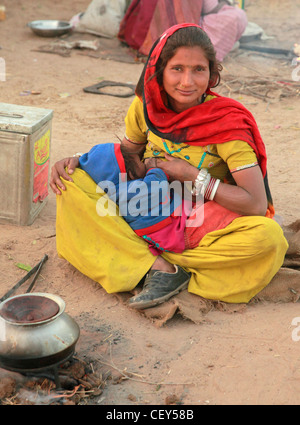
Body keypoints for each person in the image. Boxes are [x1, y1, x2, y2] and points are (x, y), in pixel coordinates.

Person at [51, 23, 288, 311]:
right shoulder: (145, 107)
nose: (187, 81)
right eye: (177, 68)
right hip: (146, 206)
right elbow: (128, 157)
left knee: (269, 238)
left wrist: (190, 175)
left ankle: (143, 260)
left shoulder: (226, 122)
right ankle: (161, 265)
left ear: (212, 73)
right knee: (71, 181)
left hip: (202, 221)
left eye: (198, 69)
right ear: (159, 70)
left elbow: (254, 203)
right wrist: (80, 160)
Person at [118, 0, 247, 62]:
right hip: (176, 34)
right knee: (235, 16)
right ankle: (205, 52)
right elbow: (210, 7)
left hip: (140, 34)